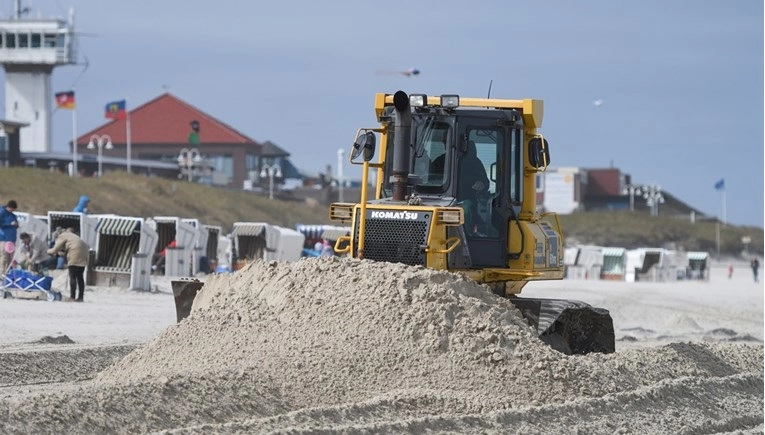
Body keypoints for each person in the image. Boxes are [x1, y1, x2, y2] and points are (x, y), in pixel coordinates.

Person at [47, 228, 90, 302]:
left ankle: (72, 297)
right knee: (80, 277)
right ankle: (80, 297)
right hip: (85, 252)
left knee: (72, 276)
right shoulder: (72, 235)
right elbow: (65, 250)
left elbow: (55, 249)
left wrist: (47, 251)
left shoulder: (62, 236)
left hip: (75, 252)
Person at [458, 140, 489, 235]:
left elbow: (485, 183)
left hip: (467, 199)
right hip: (441, 201)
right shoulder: (441, 160)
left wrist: (482, 185)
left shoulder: (475, 163)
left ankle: (466, 235)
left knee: (465, 210)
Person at [0, 200, 18, 274]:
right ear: (9, 207)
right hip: (4, 238)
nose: (13, 211)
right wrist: (10, 224)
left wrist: (16, 225)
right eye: (12, 209)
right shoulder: (2, 213)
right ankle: (2, 273)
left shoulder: (13, 215)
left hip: (12, 239)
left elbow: (16, 224)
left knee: (10, 258)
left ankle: (7, 273)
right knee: (4, 256)